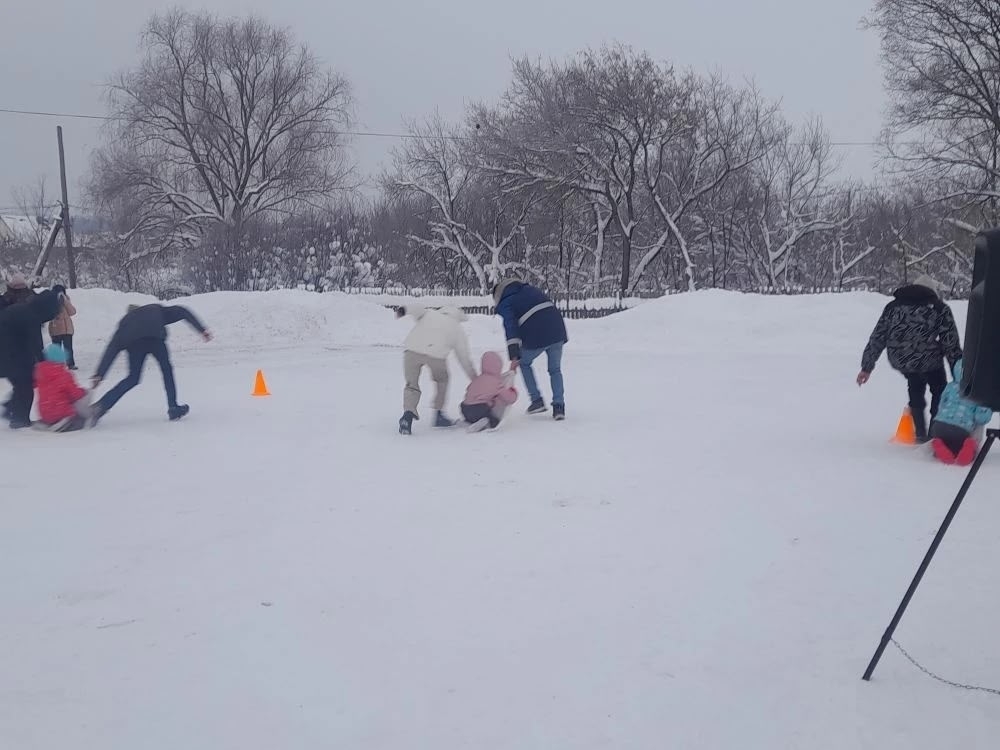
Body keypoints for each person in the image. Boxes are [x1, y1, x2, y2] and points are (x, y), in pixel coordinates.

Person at [857, 282, 963, 443]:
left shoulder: (892, 308)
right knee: (939, 389)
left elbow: (878, 336)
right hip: (930, 359)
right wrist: (958, 372)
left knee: (915, 384)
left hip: (901, 358)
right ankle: (934, 433)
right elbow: (950, 342)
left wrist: (866, 367)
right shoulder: (939, 308)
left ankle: (920, 432)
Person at [90, 303, 212, 425]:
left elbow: (112, 348)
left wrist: (99, 374)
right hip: (155, 337)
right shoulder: (154, 309)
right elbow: (182, 311)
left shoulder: (126, 321)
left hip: (134, 344)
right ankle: (173, 407)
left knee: (133, 378)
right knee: (166, 370)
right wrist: (202, 330)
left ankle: (100, 407)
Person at [492, 279, 568, 420]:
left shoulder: (506, 302)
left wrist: (514, 356)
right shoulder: (529, 290)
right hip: (558, 328)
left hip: (537, 333)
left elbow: (511, 327)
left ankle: (536, 400)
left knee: (524, 363)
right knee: (555, 370)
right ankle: (559, 406)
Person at [395, 303, 476, 435]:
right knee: (442, 380)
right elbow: (464, 358)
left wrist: (404, 310)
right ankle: (439, 414)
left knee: (411, 385)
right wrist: (475, 378)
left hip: (411, 350)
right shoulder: (457, 328)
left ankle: (407, 415)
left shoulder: (429, 313)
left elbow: (416, 309)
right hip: (436, 355)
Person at [0, 290, 64, 428]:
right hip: (8, 354)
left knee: (22, 383)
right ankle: (19, 419)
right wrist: (46, 366)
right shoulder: (31, 316)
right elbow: (36, 345)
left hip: (9, 353)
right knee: (25, 386)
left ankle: (10, 409)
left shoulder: (24, 310)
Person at [928, 359, 994, 466]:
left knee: (946, 442)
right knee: (964, 440)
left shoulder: (950, 386)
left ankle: (938, 445)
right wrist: (987, 407)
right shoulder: (979, 393)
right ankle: (970, 446)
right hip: (961, 430)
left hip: (938, 426)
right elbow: (980, 418)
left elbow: (941, 404)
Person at [34, 342, 91, 432]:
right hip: (61, 411)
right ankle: (64, 422)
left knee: (56, 398)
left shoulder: (40, 372)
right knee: (82, 417)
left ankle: (49, 422)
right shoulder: (64, 374)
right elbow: (75, 394)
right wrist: (84, 392)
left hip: (44, 411)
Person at [461, 351, 518, 432]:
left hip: (464, 408)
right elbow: (509, 398)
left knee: (474, 415)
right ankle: (484, 422)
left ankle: (467, 422)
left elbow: (469, 391)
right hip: (479, 409)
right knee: (494, 422)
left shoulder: (478, 379)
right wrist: (513, 392)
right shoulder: (496, 382)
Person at [48, 284, 77, 370]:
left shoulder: (66, 299)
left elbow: (72, 312)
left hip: (67, 329)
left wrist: (65, 301)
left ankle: (70, 364)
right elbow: (49, 314)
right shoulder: (50, 301)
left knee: (68, 348)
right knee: (57, 348)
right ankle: (57, 365)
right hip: (55, 329)